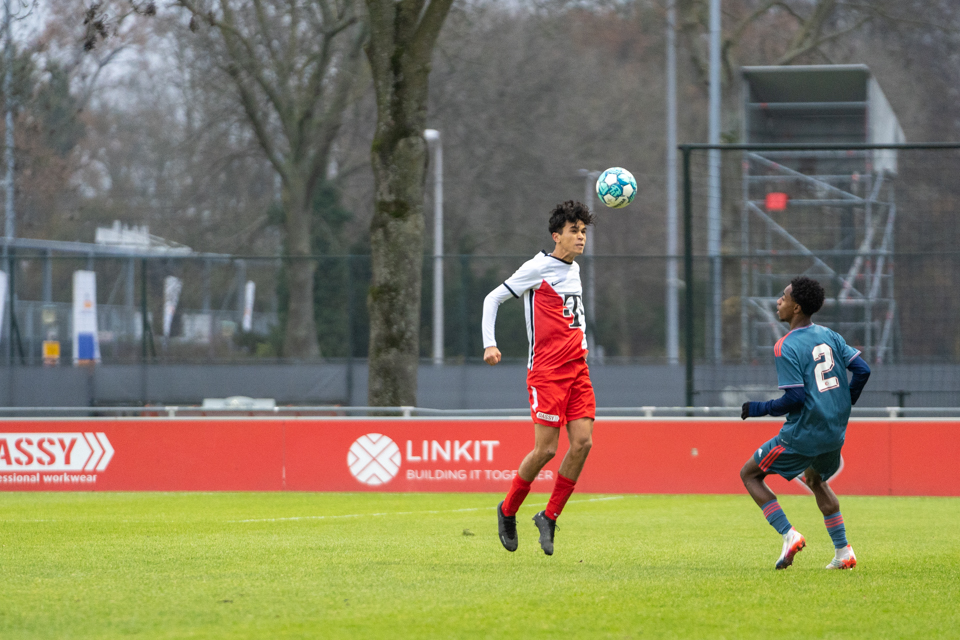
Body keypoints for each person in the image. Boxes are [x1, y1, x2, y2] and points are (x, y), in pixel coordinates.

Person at [482, 200, 596, 556]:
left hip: (578, 369)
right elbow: (493, 298)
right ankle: (508, 508)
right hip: (547, 375)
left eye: (583, 232)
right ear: (556, 235)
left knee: (582, 444)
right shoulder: (537, 267)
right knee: (546, 449)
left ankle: (549, 516)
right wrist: (490, 344)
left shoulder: (573, 269)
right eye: (574, 231)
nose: (580, 237)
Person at [740, 276, 871, 570]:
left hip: (803, 433)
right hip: (835, 433)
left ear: (796, 307)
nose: (779, 302)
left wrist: (756, 408)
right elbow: (862, 370)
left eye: (784, 298)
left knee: (749, 474)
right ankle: (843, 551)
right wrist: (842, 403)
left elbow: (794, 399)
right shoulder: (831, 336)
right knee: (815, 479)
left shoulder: (785, 346)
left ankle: (789, 535)